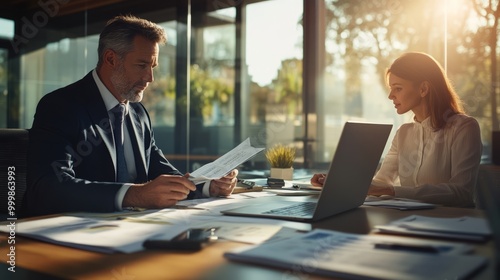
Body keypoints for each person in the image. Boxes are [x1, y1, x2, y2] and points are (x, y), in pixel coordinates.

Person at [24, 15, 238, 217]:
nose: (150, 77)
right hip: (70, 232)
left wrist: (209, 185)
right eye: (142, 65)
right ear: (110, 59)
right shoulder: (61, 106)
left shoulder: (138, 113)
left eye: (152, 67)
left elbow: (161, 172)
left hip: (134, 230)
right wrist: (136, 195)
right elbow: (48, 186)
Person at [311, 52, 482, 207]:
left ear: (423, 89)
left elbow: (462, 193)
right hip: (405, 222)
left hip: (449, 225)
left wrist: (393, 191)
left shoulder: (464, 128)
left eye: (398, 88)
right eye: (391, 89)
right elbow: (381, 182)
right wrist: (340, 182)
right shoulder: (404, 133)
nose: (390, 96)